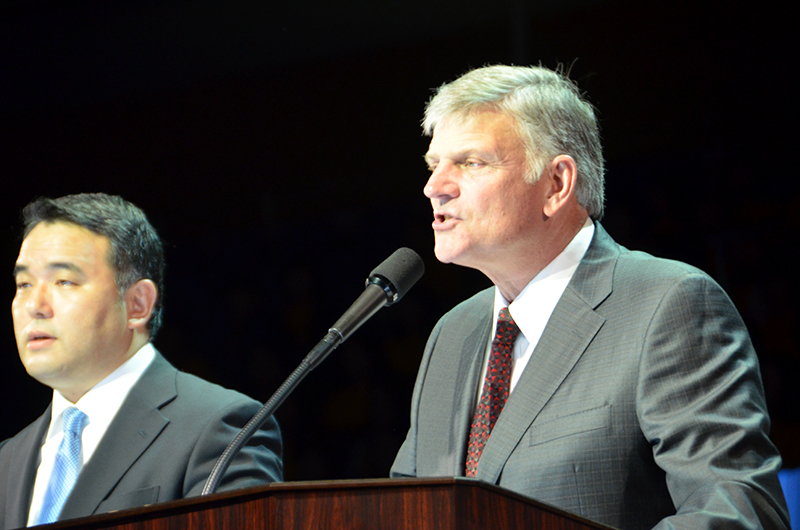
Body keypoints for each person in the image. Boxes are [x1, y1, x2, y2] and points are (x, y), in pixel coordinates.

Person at [390, 65, 790, 530]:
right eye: (433, 164)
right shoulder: (452, 334)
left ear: (557, 184)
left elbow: (738, 512)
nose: (434, 186)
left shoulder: (668, 304)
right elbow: (408, 509)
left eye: (471, 162)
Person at [0, 193, 282, 529]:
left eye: (64, 281)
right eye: (24, 283)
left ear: (137, 304)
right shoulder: (8, 459)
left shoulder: (221, 429)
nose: (34, 305)